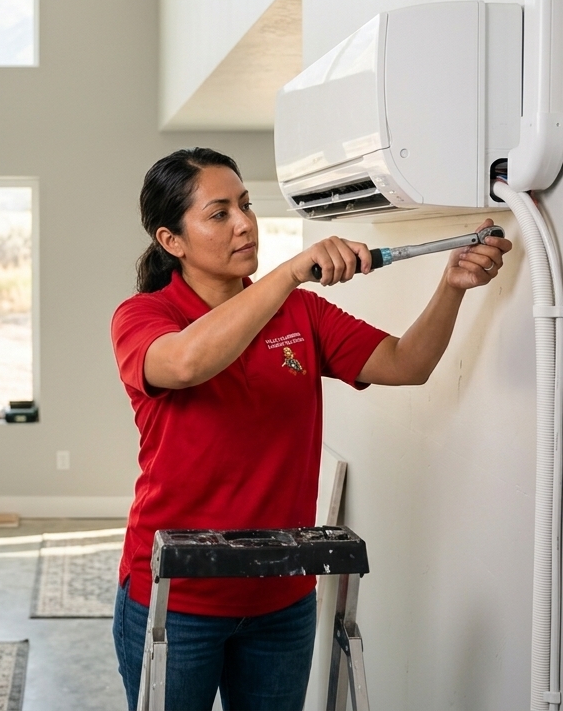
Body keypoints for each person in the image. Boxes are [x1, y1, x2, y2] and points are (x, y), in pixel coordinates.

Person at [110, 148, 512, 711]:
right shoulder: (144, 316)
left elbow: (406, 364)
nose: (245, 223)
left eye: (245, 205)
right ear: (171, 240)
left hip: (282, 597)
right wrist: (290, 271)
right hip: (179, 598)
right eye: (219, 213)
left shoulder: (301, 314)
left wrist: (452, 287)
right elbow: (184, 365)